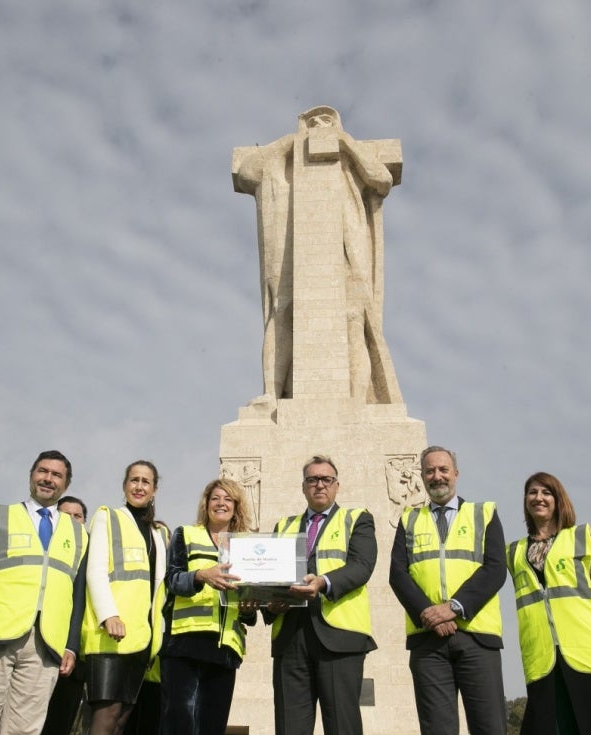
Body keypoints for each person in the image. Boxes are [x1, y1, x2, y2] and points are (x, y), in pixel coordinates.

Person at [233, 106, 402, 404]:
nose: (320, 125)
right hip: (291, 251)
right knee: (281, 311)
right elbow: (248, 170)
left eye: (327, 119)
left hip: (347, 245)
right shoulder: (286, 156)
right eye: (312, 121)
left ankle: (356, 400)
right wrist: (292, 142)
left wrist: (346, 143)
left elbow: (382, 179)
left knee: (355, 317)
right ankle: (271, 393)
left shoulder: (349, 154)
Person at [0, 450, 88, 735]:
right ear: (31, 475)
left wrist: (71, 644)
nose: (48, 479)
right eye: (43, 471)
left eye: (56, 475)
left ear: (66, 484)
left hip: (46, 644)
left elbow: (77, 595)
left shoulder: (79, 533)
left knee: (25, 730)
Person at [389, 445, 508, 735]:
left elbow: (494, 569)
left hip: (476, 636)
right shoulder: (409, 519)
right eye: (429, 471)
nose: (437, 476)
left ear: (456, 473)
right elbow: (397, 574)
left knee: (489, 725)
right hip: (427, 641)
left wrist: (452, 608)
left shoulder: (484, 513)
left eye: (443, 469)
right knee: (437, 729)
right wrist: (428, 614)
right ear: (422, 476)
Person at [507, 471, 591, 735]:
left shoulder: (581, 537)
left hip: (589, 656)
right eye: (532, 492)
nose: (538, 498)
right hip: (543, 661)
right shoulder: (515, 551)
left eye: (546, 492)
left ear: (558, 499)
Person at [264, 455, 377, 735]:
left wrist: (323, 582)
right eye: (312, 480)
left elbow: (362, 566)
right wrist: (270, 606)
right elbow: (271, 576)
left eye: (326, 479)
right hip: (290, 638)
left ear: (337, 486)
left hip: (339, 639)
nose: (319, 485)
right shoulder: (284, 526)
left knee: (342, 726)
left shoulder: (357, 519)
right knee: (290, 728)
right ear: (303, 487)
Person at [162, 478, 256, 734]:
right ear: (206, 504)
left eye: (228, 499)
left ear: (236, 506)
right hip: (185, 643)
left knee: (212, 726)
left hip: (226, 649)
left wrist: (249, 607)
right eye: (215, 498)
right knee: (178, 723)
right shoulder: (186, 534)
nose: (221, 503)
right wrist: (201, 575)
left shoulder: (248, 545)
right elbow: (171, 580)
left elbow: (249, 606)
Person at [83, 461, 170, 735]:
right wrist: (109, 614)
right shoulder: (107, 517)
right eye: (134, 480)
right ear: (124, 485)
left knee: (121, 720)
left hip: (143, 638)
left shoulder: (160, 533)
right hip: (111, 635)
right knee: (104, 718)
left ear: (154, 489)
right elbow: (95, 571)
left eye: (146, 481)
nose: (139, 486)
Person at [42, 496, 92, 735]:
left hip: (77, 657)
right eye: (65, 515)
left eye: (77, 516)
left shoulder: (93, 556)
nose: (72, 521)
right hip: (44, 649)